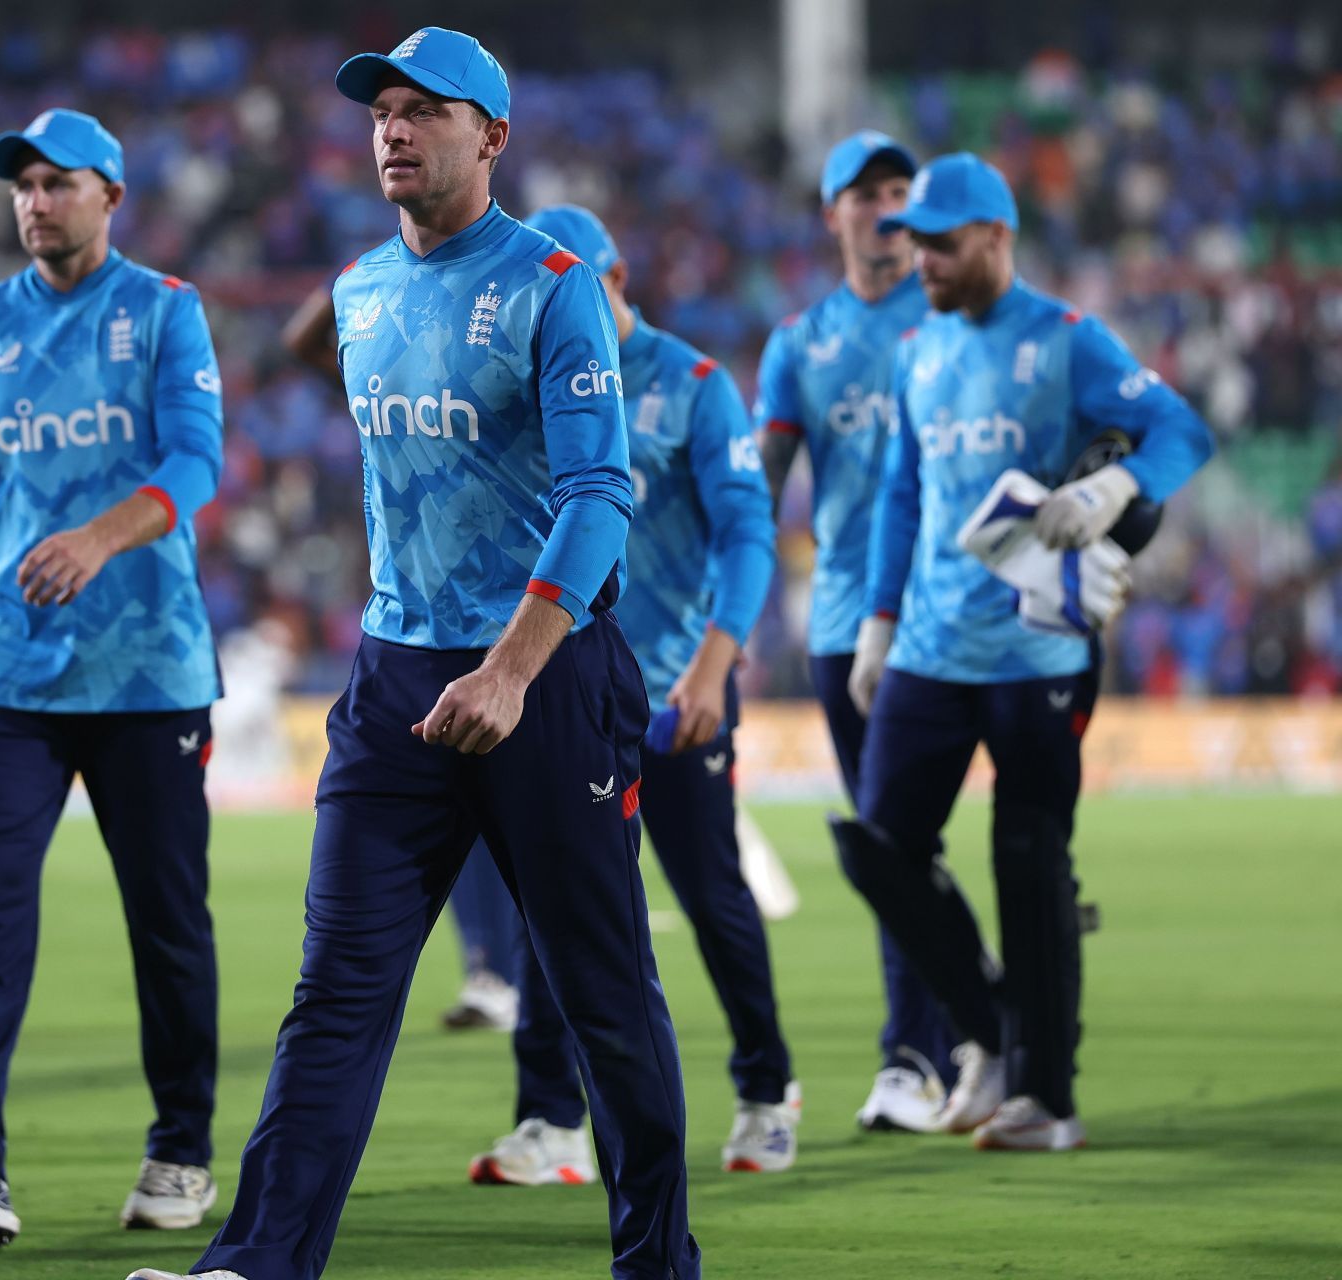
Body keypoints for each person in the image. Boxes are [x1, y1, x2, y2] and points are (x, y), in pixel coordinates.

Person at [129, 28, 700, 1280]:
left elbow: (602, 489)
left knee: (606, 1000)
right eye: (382, 110)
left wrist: (509, 665)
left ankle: (659, 1264)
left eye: (424, 110)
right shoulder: (356, 293)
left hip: (542, 679)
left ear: (491, 135)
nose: (392, 128)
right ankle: (256, 1263)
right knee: (335, 992)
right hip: (393, 682)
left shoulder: (555, 285)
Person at [0, 107, 227, 1249]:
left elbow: (195, 460)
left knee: (167, 921)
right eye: (22, 185)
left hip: (147, 671)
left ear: (110, 196)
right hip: (2, 673)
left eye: (57, 182)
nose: (34, 201)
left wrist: (98, 537)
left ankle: (181, 1144)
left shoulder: (166, 311)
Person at [833, 153, 1214, 1151]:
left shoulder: (1067, 341)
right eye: (913, 244)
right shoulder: (919, 351)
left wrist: (1114, 491)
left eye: (942, 245)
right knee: (875, 846)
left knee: (1030, 860)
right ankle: (991, 1030)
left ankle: (1045, 1093)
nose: (922, 262)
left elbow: (1180, 429)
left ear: (998, 238)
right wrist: (877, 623)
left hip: (1041, 650)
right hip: (929, 642)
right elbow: (903, 497)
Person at [468, 203, 795, 1186]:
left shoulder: (694, 385)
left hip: (676, 691)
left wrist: (715, 662)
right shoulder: (533, 380)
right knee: (554, 905)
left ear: (615, 282)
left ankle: (766, 1091)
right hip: (571, 692)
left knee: (711, 895)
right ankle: (549, 1118)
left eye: (576, 284)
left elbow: (748, 534)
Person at [755, 131, 961, 1131]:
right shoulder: (801, 342)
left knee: (902, 836)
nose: (885, 206)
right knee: (894, 836)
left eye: (899, 189)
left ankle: (928, 1050)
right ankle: (952, 1037)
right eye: (866, 191)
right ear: (831, 211)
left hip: (957, 616)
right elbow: (758, 486)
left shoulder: (955, 315)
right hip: (845, 621)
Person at [281, 281, 523, 1034]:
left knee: (535, 847)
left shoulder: (531, 341)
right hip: (415, 626)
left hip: (523, 631)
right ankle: (493, 972)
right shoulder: (388, 342)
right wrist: (377, 268)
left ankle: (522, 995)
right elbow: (304, 344)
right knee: (456, 817)